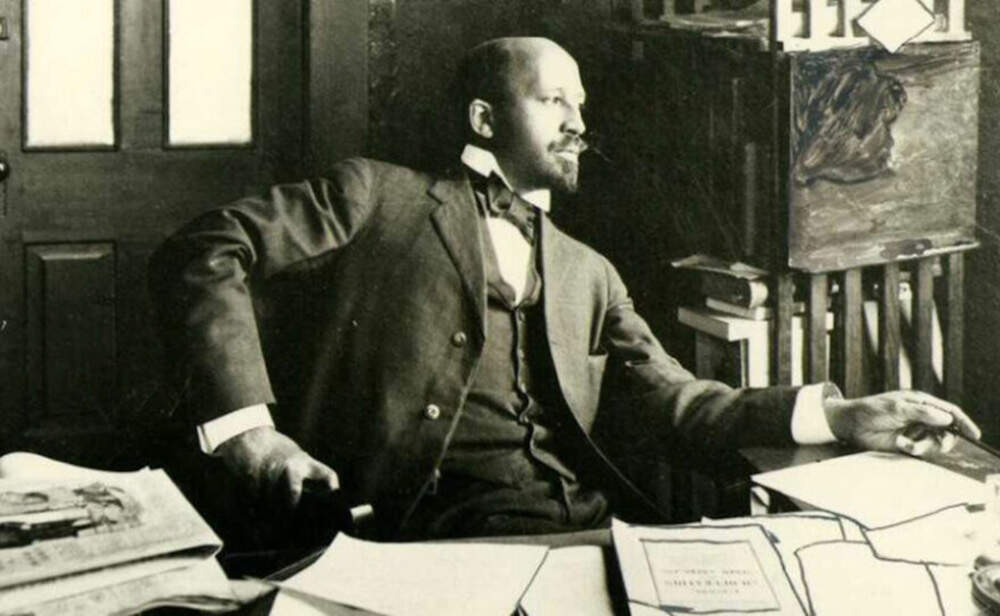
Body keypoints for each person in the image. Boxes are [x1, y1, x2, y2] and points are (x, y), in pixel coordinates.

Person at [149, 37, 980, 541]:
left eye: (582, 105)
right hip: (409, 541)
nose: (580, 122)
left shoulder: (589, 269)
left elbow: (680, 405)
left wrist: (837, 416)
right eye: (554, 102)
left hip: (585, 534)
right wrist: (246, 434)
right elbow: (207, 247)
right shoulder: (377, 196)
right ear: (484, 120)